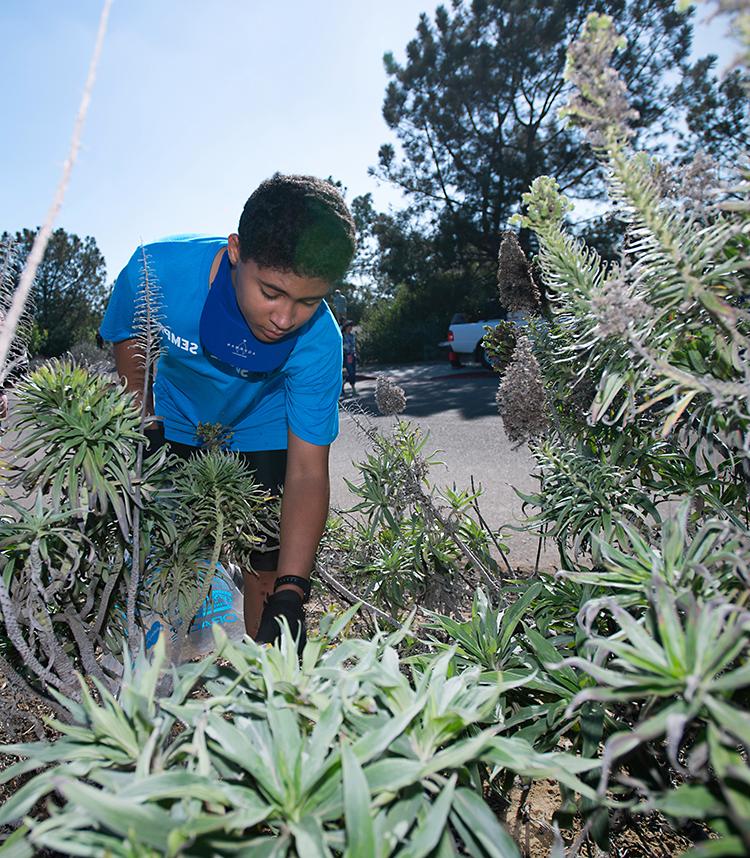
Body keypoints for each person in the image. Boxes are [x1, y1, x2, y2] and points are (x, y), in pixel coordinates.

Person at [100, 173, 356, 652]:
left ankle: (263, 687)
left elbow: (306, 473)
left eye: (308, 301)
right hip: (175, 419)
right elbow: (130, 360)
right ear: (236, 251)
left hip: (261, 427)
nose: (285, 319)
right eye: (272, 292)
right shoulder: (156, 274)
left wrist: (293, 592)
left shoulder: (320, 341)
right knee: (168, 552)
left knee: (270, 570)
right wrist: (141, 425)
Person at [341, 320, 357, 396]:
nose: (351, 328)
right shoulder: (342, 336)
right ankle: (343, 388)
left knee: (352, 372)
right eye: (349, 326)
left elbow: (353, 346)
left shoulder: (352, 335)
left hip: (352, 355)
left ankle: (352, 389)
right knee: (348, 373)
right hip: (345, 356)